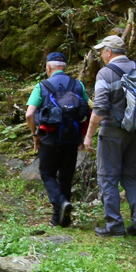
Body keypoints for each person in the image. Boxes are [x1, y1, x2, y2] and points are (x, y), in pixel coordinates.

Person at [84, 35, 136, 238]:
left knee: (107, 177)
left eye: (102, 51)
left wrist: (88, 136)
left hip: (113, 131)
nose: (101, 55)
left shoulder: (106, 73)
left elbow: (100, 108)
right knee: (130, 176)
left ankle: (114, 225)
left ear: (109, 52)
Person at [26, 52, 89, 226]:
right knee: (66, 177)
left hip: (50, 137)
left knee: (47, 173)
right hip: (72, 137)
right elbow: (87, 110)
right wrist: (83, 136)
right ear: (65, 67)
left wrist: (35, 134)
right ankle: (61, 220)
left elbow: (30, 113)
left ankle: (60, 203)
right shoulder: (78, 85)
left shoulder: (42, 86)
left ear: (48, 67)